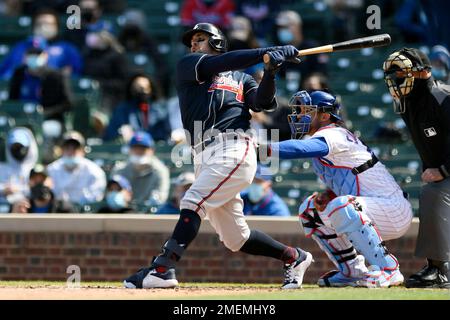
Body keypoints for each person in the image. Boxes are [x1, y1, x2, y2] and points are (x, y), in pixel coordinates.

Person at [123, 22, 313, 290]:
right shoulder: (189, 65)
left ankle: (162, 268)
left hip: (234, 147)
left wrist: (270, 71)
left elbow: (262, 103)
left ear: (217, 42)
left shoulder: (243, 79)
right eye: (192, 41)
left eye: (200, 39)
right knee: (236, 238)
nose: (193, 44)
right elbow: (224, 62)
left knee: (192, 201)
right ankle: (294, 257)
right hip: (203, 154)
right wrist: (267, 51)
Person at [261, 90, 413, 287]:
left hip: (393, 209)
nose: (299, 116)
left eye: (306, 111)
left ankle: (389, 269)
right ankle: (352, 271)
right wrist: (330, 194)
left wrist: (261, 149)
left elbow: (300, 148)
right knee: (310, 210)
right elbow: (353, 179)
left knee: (343, 205)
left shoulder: (334, 133)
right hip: (372, 207)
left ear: (324, 115)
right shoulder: (326, 137)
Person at [383, 47, 450, 288]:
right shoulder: (408, 103)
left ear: (423, 73)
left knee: (434, 192)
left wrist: (443, 171)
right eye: (391, 75)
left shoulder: (444, 97)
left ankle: (440, 269)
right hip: (439, 170)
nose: (394, 80)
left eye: (399, 73)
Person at [0, 8, 82, 79]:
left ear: (57, 27)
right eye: (40, 24)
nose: (44, 27)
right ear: (33, 27)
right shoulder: (21, 47)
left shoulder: (67, 49)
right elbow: (6, 74)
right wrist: (22, 67)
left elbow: (75, 74)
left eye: (49, 24)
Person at [9, 47, 72, 126]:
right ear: (25, 57)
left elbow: (67, 104)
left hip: (49, 120)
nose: (34, 57)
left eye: (37, 55)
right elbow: (12, 100)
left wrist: (45, 112)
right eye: (31, 54)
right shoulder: (18, 74)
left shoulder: (56, 76)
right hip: (20, 118)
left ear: (45, 56)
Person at [103, 73, 171, 142]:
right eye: (137, 88)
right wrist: (121, 133)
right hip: (131, 148)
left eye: (146, 88)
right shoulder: (122, 110)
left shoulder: (161, 111)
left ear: (151, 89)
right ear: (131, 90)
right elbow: (110, 134)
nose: (142, 92)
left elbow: (166, 135)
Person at [47, 130, 106, 205]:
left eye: (75, 148)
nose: (71, 152)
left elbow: (95, 197)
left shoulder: (95, 172)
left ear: (83, 151)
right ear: (62, 150)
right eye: (67, 148)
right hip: (58, 212)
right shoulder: (52, 170)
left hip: (86, 214)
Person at [274, 10, 328, 92]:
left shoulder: (312, 47)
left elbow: (322, 73)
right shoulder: (278, 51)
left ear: (297, 26)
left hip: (310, 93)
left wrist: (314, 78)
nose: (282, 30)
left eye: (286, 27)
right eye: (280, 27)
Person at [112, 131, 170, 207]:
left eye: (143, 149)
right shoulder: (119, 170)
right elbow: (112, 196)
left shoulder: (160, 171)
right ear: (129, 150)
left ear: (151, 150)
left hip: (150, 214)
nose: (139, 152)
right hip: (124, 211)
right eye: (135, 148)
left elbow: (160, 198)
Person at [81, 30, 128, 113]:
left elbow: (121, 82)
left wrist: (101, 84)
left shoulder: (116, 56)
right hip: (90, 93)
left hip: (110, 95)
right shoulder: (90, 55)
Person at [0, 127, 38, 205]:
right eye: (14, 147)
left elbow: (37, 191)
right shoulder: (2, 168)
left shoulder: (36, 170)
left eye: (20, 146)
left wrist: (17, 189)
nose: (18, 150)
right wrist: (4, 190)